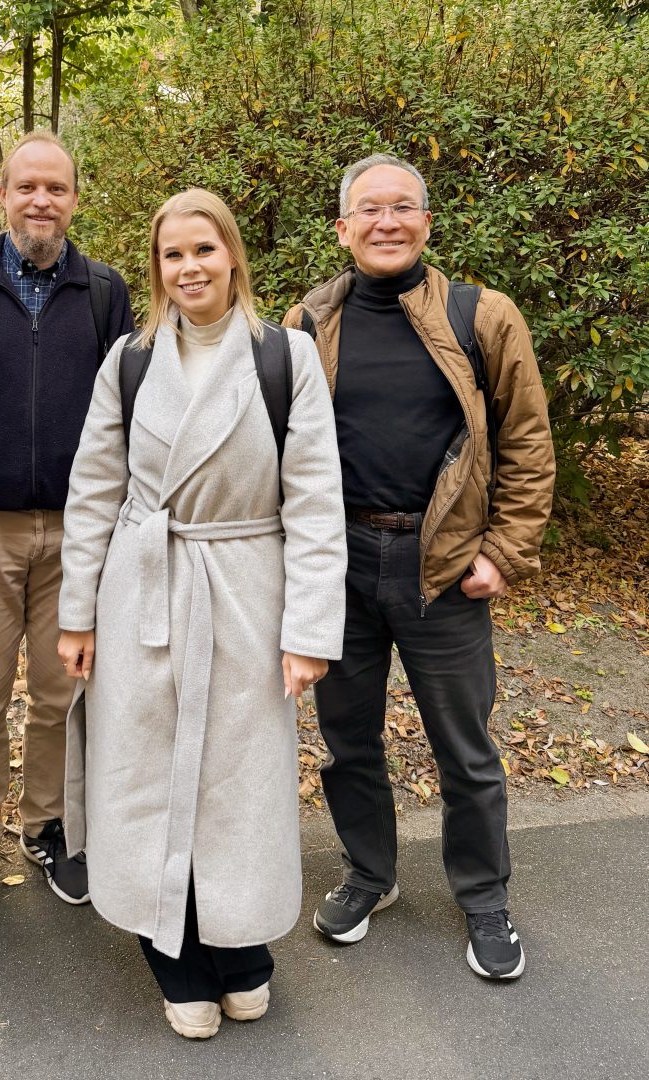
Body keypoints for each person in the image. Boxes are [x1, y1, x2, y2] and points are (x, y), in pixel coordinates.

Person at [57, 189, 347, 1038]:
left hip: (247, 588)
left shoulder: (284, 357)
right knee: (143, 774)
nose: (188, 268)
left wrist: (306, 632)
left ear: (232, 259)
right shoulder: (129, 360)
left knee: (236, 781)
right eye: (171, 255)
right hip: (143, 586)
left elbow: (315, 501)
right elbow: (93, 492)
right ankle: (174, 952)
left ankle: (242, 947)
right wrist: (78, 616)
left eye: (203, 251)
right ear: (157, 267)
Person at [282, 153, 554, 980]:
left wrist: (502, 553)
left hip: (442, 568)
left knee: (464, 749)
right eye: (368, 210)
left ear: (426, 223)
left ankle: (483, 899)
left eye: (402, 207)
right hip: (341, 564)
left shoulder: (483, 314)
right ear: (342, 228)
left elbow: (527, 442)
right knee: (346, 742)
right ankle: (370, 874)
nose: (385, 222)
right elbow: (277, 447)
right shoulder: (308, 319)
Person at [0, 131, 134, 925]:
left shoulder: (105, 290)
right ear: (5, 195)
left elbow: (126, 413)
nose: (40, 201)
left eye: (55, 188)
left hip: (80, 529)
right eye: (26, 187)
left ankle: (48, 827)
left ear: (73, 198)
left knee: (59, 695)